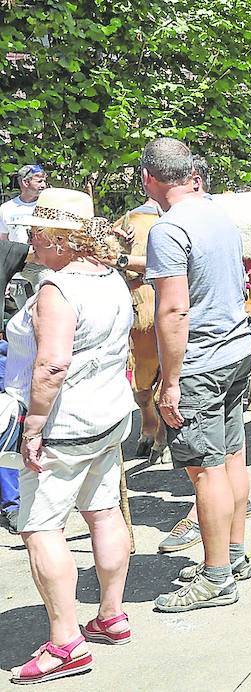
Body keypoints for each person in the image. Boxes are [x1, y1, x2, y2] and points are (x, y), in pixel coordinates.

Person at [5, 189, 135, 685]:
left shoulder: (56, 289)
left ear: (63, 239)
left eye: (39, 233)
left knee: (39, 526)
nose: (31, 241)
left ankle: (65, 643)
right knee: (102, 512)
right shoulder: (111, 277)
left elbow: (53, 364)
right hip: (108, 416)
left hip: (65, 424)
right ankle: (111, 615)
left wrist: (33, 427)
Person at [141, 138, 251, 612]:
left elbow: (172, 308)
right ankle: (233, 555)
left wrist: (169, 381)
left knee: (204, 471)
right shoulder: (217, 214)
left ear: (148, 179)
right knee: (232, 459)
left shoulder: (167, 230)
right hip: (237, 352)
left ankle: (215, 579)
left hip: (201, 364)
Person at [0, 164, 48, 243]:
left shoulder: (48, 206)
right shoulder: (6, 208)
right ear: (26, 182)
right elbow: (3, 239)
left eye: (44, 181)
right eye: (39, 181)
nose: (44, 185)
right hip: (16, 254)